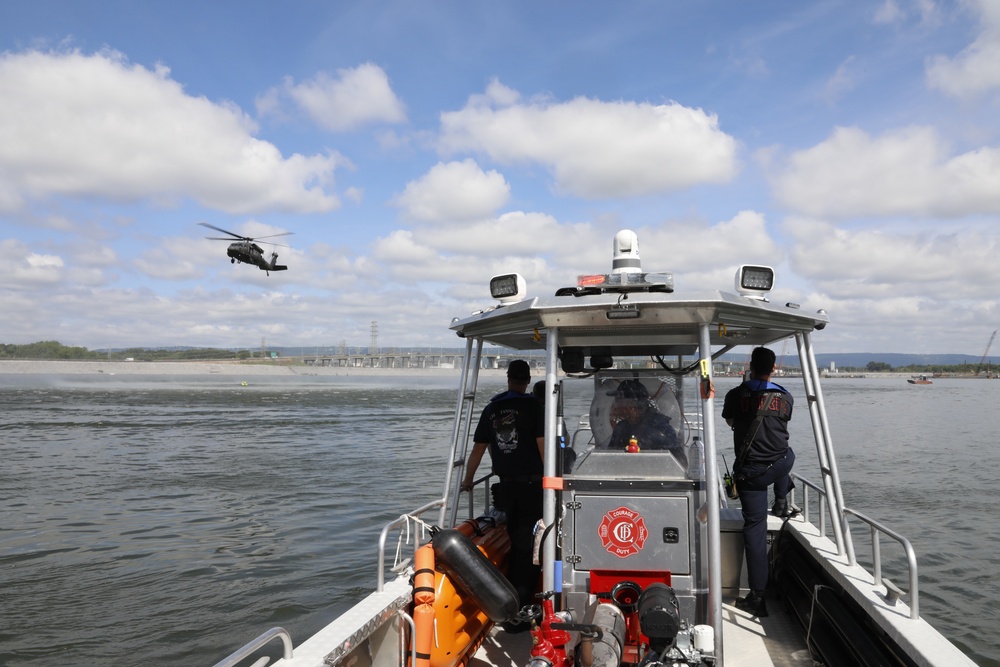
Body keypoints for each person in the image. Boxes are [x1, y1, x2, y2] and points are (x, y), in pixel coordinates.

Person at [461, 359, 544, 622]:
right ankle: (522, 598)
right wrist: (552, 478)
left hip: (506, 486)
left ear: (508, 378)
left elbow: (478, 449)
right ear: (528, 380)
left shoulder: (492, 408)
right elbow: (542, 446)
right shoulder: (535, 407)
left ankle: (513, 593)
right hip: (533, 485)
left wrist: (468, 480)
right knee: (529, 541)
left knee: (515, 535)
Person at [721, 347, 795, 618]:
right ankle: (782, 501)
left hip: (751, 475)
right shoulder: (786, 396)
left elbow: (731, 422)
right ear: (773, 368)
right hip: (779, 466)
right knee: (786, 453)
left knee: (754, 528)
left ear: (750, 365)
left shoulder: (735, 395)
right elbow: (780, 425)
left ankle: (757, 596)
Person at [606, 379, 684, 463]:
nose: (615, 406)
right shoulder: (620, 428)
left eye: (617, 401)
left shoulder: (661, 428)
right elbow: (609, 459)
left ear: (631, 405)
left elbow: (681, 462)